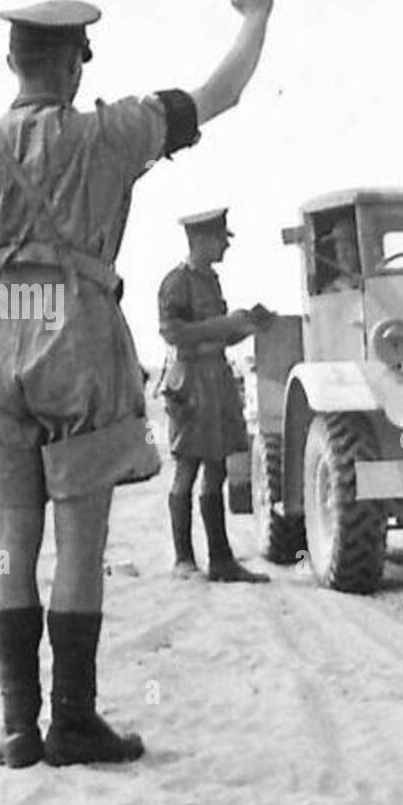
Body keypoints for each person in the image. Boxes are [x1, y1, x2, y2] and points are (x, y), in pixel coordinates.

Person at [0, 0, 275, 768]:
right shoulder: (113, 131)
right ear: (77, 64)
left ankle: (17, 727)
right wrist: (254, 17)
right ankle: (73, 721)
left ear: (12, 62)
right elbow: (219, 95)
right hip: (76, 328)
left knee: (13, 536)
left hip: (1, 327)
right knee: (78, 543)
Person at [159, 208, 272, 583]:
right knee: (188, 469)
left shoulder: (211, 281)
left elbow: (218, 335)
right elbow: (172, 332)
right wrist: (227, 322)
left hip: (216, 379)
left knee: (217, 468)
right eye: (220, 239)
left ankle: (221, 561)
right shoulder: (176, 282)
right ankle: (184, 560)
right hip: (190, 382)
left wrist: (248, 325)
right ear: (201, 241)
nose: (225, 245)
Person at [321, 216, 362, 292]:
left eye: (346, 249)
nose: (341, 256)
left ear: (359, 249)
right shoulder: (331, 291)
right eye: (338, 250)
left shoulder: (376, 281)